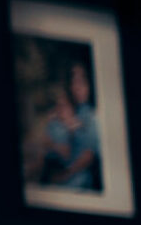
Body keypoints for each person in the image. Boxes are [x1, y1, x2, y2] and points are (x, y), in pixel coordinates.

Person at [39, 58, 102, 190]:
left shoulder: (92, 116)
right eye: (73, 82)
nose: (76, 87)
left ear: (92, 82)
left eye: (81, 82)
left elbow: (88, 156)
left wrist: (64, 175)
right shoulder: (75, 109)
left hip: (78, 179)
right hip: (59, 167)